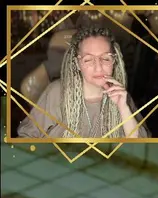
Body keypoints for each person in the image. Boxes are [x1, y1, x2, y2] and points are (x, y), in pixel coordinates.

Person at [17, 26, 148, 140]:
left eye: (105, 58)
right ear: (77, 63)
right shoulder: (57, 93)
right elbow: (26, 137)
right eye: (88, 60)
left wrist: (123, 108)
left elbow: (141, 146)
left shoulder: (121, 96)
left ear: (114, 60)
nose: (98, 67)